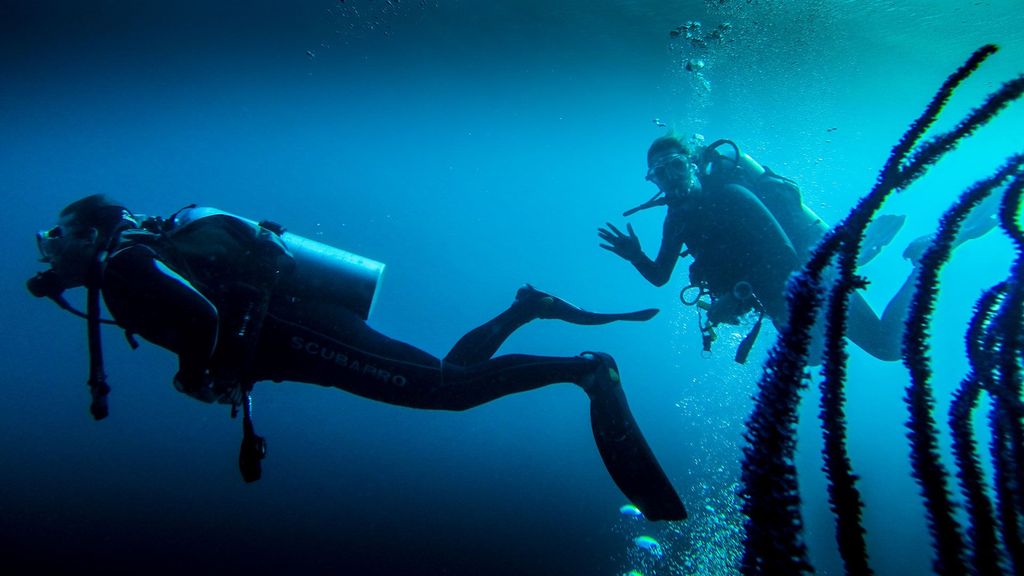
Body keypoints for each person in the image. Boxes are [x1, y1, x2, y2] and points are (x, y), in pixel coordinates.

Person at [28, 194, 687, 522]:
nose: (47, 245)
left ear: (90, 233)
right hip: (299, 338)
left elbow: (201, 317)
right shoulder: (127, 262)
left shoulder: (126, 265)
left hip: (303, 333)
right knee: (442, 378)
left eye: (58, 233)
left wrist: (198, 371)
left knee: (443, 391)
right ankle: (524, 308)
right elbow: (204, 308)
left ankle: (585, 369)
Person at [598, 134, 998, 364]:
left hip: (806, 273)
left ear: (691, 163)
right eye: (658, 174)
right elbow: (660, 276)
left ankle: (928, 254)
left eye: (675, 167)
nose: (669, 179)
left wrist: (738, 294)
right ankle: (870, 249)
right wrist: (636, 257)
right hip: (771, 291)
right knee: (818, 357)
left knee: (886, 346)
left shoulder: (733, 195)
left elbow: (784, 253)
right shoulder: (676, 219)